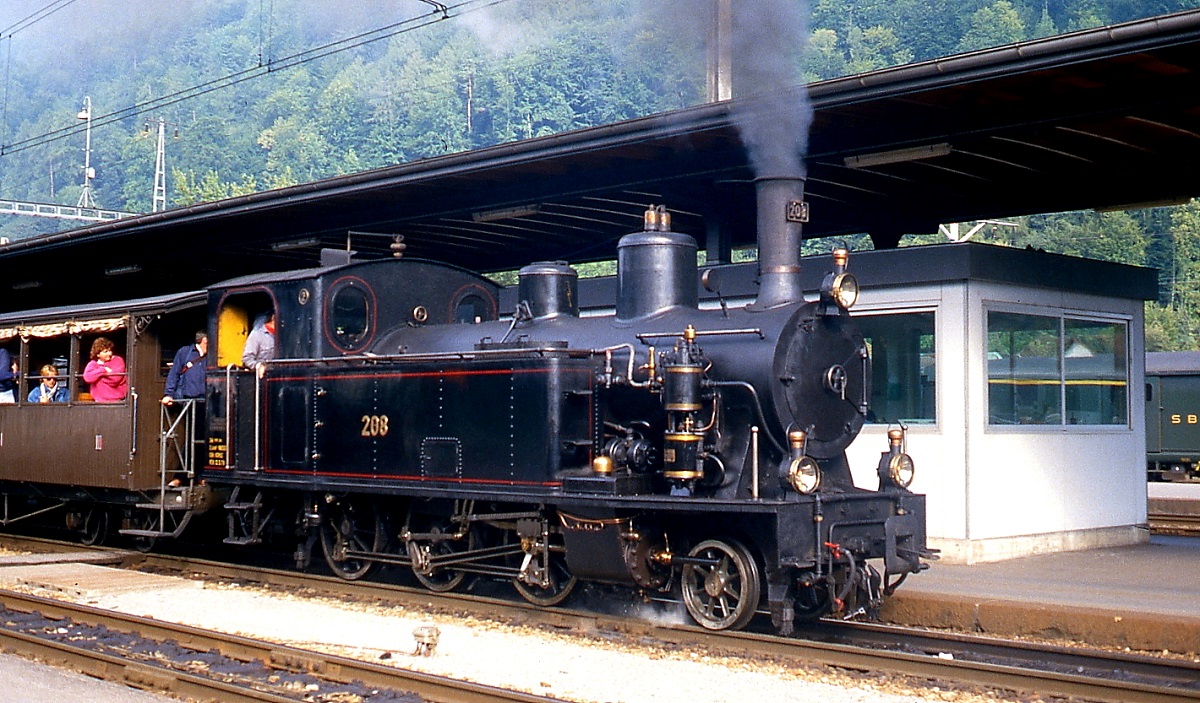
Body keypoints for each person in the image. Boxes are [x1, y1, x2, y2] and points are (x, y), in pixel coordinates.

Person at [162, 331, 208, 405]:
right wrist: (168, 394)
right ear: (204, 340)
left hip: (206, 400)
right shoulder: (184, 352)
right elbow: (174, 374)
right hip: (187, 399)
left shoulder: (211, 356)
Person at [83, 337, 128, 403]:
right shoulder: (93, 363)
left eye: (110, 350)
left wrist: (98, 377)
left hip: (117, 401)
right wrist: (103, 370)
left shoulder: (118, 360)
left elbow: (115, 379)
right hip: (99, 401)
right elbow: (87, 377)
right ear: (98, 354)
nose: (109, 354)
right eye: (105, 351)